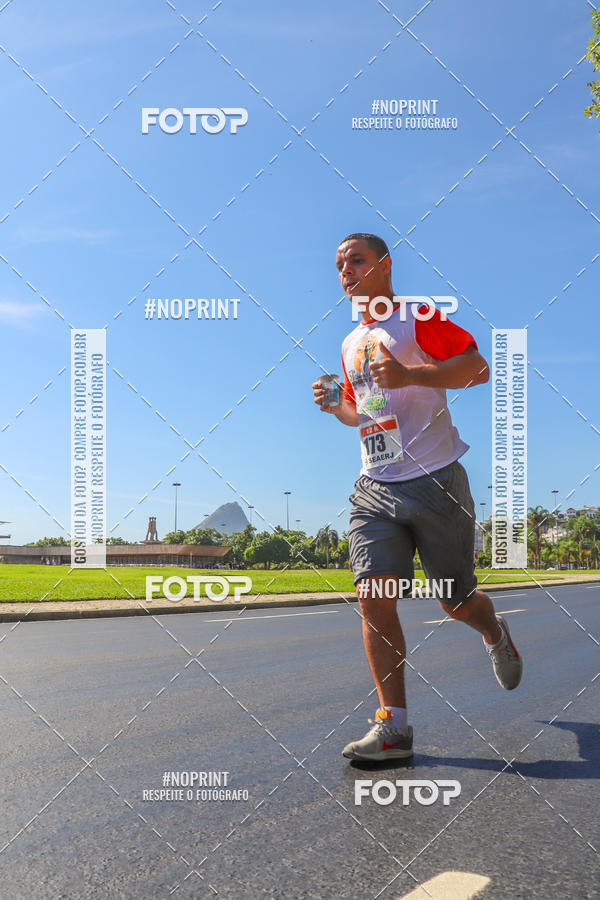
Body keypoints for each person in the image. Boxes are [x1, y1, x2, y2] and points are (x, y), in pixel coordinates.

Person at [312, 233, 522, 762]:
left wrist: (412, 373)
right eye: (339, 265)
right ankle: (394, 728)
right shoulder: (349, 343)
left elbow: (478, 368)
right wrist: (337, 405)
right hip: (375, 486)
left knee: (454, 602)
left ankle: (493, 629)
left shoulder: (416, 316)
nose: (346, 271)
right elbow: (365, 413)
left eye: (356, 260)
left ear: (384, 266)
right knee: (372, 596)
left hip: (435, 482)